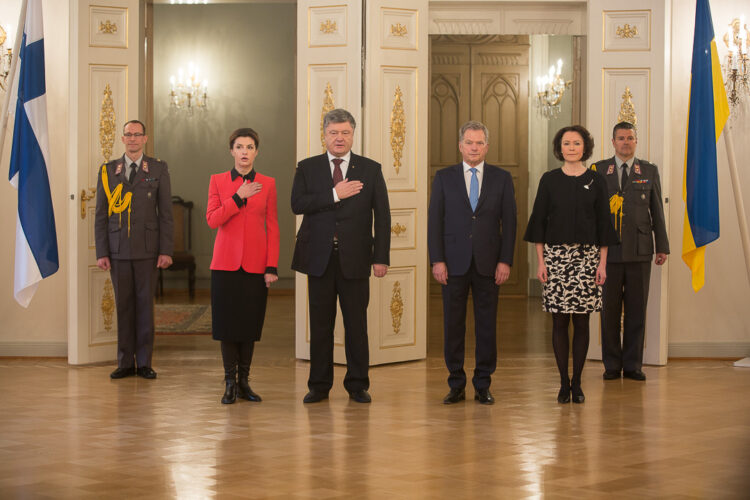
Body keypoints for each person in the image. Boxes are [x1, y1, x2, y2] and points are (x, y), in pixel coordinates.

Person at [291, 108, 391, 404]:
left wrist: (381, 257)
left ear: (353, 135)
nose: (339, 138)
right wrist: (335, 194)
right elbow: (297, 204)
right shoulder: (307, 168)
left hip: (357, 259)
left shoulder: (370, 169)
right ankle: (319, 386)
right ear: (324, 135)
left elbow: (382, 217)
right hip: (319, 259)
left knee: (356, 326)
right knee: (321, 325)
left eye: (345, 133)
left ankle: (357, 384)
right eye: (334, 133)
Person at [524, 125, 618, 404]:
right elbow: (538, 223)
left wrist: (602, 265)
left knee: (582, 321)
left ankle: (577, 382)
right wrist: (541, 263)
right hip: (555, 259)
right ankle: (563, 382)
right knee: (559, 321)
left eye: (577, 143)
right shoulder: (549, 180)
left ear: (584, 147)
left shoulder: (597, 180)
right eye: (567, 143)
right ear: (560, 148)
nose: (572, 147)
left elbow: (604, 225)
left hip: (588, 259)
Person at [428, 120, 517, 405]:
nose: (474, 147)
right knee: (453, 326)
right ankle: (456, 383)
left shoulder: (502, 178)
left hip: (489, 265)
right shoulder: (444, 177)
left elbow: (510, 224)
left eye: (479, 142)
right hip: (452, 264)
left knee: (486, 326)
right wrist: (437, 260)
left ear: (487, 146)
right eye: (469, 142)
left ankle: (482, 384)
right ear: (460, 146)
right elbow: (434, 222)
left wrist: (505, 261)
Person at [95, 120, 174, 380]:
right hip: (117, 250)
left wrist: (166, 250)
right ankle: (125, 362)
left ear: (145, 138)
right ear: (122, 138)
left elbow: (165, 215)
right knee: (124, 306)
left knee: (144, 307)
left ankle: (144, 363)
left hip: (147, 250)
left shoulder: (158, 169)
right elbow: (101, 216)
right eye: (128, 135)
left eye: (137, 135)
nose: (132, 139)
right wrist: (102, 252)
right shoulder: (108, 171)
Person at [207, 128, 279, 404]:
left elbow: (272, 227)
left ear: (256, 151)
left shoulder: (268, 183)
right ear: (232, 151)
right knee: (227, 325)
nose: (245, 152)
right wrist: (238, 196)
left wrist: (271, 266)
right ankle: (229, 383)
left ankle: (245, 382)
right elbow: (213, 220)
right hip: (224, 264)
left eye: (250, 147)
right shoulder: (218, 181)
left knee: (249, 325)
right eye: (239, 147)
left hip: (256, 266)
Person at [593, 121, 669, 381]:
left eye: (630, 138)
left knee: (637, 309)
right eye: (621, 138)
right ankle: (612, 365)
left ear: (636, 141)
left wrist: (663, 247)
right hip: (609, 253)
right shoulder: (599, 170)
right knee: (609, 310)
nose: (625, 142)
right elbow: (592, 214)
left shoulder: (648, 170)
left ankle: (633, 364)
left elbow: (656, 211)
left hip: (639, 251)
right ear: (612, 142)